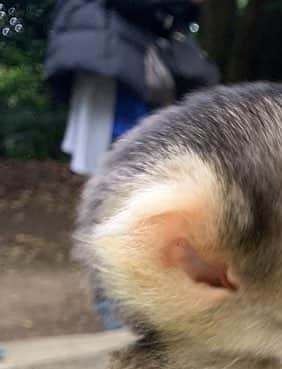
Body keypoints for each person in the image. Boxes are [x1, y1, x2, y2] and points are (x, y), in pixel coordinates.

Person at [44, 0, 219, 328]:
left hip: (124, 62)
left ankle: (133, 298)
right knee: (122, 187)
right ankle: (116, 299)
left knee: (137, 186)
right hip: (113, 65)